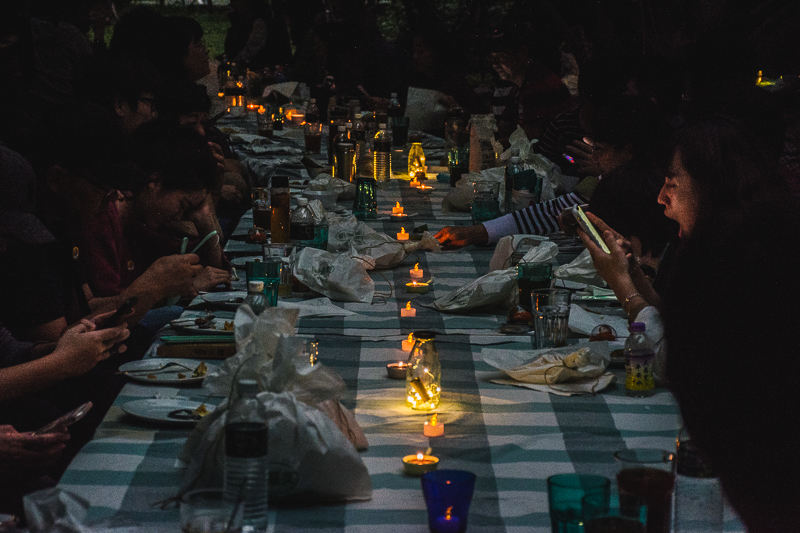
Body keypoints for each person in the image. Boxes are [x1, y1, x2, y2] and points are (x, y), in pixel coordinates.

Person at [582, 116, 800, 529]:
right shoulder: (734, 248)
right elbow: (684, 328)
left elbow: (676, 356)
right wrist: (632, 274)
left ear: (713, 184)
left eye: (673, 181)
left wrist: (623, 288)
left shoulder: (748, 265)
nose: (661, 198)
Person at [435, 96, 665, 249]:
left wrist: (477, 233)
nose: (593, 155)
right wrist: (477, 232)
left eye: (599, 149)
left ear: (628, 150)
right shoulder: (614, 179)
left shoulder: (638, 187)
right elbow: (557, 209)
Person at [79, 119, 230, 302]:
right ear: (156, 181)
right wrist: (163, 290)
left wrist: (205, 220)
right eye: (183, 205)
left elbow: (214, 274)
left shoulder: (139, 223)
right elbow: (104, 310)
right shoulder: (104, 220)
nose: (181, 216)